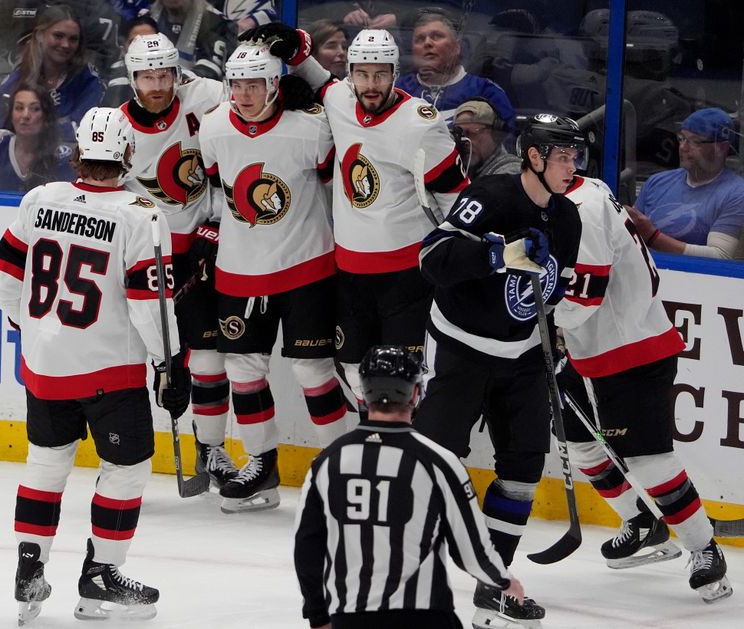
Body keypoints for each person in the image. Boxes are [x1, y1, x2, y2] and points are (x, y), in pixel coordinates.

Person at [0, 107, 191, 623]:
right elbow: (151, 307)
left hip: (44, 368)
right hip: (108, 375)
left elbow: (4, 278)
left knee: (46, 463)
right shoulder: (141, 215)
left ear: (77, 153)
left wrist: (25, 330)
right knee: (126, 470)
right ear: (127, 154)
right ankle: (101, 573)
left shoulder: (39, 199)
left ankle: (29, 565)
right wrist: (170, 364)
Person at [240, 23, 469, 418]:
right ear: (351, 75)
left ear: (396, 74)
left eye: (381, 73)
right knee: (351, 367)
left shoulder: (420, 122)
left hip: (407, 277)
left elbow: (456, 198)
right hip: (350, 273)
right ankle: (372, 443)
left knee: (406, 375)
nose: (371, 83)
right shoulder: (341, 101)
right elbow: (316, 76)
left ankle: (403, 456)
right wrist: (295, 46)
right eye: (362, 73)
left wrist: (458, 261)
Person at [413, 113, 585, 627]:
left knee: (523, 471)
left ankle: (495, 580)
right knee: (434, 464)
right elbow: (433, 257)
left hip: (524, 358)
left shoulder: (568, 219)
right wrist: (498, 254)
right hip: (461, 350)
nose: (571, 165)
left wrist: (555, 341)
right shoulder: (490, 196)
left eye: (575, 156)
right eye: (563, 156)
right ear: (534, 156)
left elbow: (553, 294)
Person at [555, 174, 733, 604]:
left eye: (564, 156)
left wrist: (536, 311)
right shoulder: (581, 191)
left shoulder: (584, 208)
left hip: (631, 349)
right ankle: (641, 524)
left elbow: (584, 297)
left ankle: (704, 549)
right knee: (581, 444)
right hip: (584, 346)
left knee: (649, 461)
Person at [198, 42, 349, 513]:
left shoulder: (311, 129)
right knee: (242, 371)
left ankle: (338, 469)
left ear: (274, 83)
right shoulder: (214, 126)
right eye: (237, 85)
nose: (244, 94)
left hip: (306, 267)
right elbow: (219, 189)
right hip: (239, 270)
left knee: (312, 370)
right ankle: (261, 466)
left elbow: (334, 191)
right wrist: (210, 228)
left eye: (254, 84)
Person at [294, 345, 524, 629]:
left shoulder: (327, 461)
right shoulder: (439, 461)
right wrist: (502, 581)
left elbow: (307, 545)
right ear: (416, 394)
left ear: (364, 393)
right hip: (424, 616)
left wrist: (318, 615)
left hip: (350, 617)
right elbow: (470, 547)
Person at [120, 32, 237, 492]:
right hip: (144, 258)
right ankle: (124, 452)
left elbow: (237, 154)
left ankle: (210, 448)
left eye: (164, 74)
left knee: (208, 357)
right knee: (150, 363)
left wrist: (214, 226)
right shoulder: (118, 128)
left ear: (177, 73)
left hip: (200, 251)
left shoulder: (204, 97)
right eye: (147, 76)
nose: (157, 84)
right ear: (132, 79)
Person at [626, 108, 744, 259]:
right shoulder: (657, 181)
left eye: (694, 141)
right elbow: (630, 233)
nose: (683, 147)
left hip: (696, 279)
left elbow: (720, 256)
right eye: (681, 138)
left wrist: (654, 238)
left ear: (721, 147)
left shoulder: (736, 193)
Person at [0, 4, 106, 145]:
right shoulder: (17, 78)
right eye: (58, 36)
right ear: (40, 35)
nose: (65, 44)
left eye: (73, 39)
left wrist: (30, 130)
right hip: (18, 161)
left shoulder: (88, 81)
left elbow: (87, 130)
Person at [394, 9, 515, 125]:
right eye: (420, 39)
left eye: (436, 36)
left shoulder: (487, 92)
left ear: (456, 48)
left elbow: (505, 142)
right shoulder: (397, 92)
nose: (427, 43)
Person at [0, 83, 73, 192]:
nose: (25, 115)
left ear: (46, 116)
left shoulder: (61, 159)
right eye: (19, 108)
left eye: (35, 109)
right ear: (11, 114)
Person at [149, 0, 232, 80]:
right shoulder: (147, 18)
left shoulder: (215, 20)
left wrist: (176, 81)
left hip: (195, 88)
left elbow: (211, 68)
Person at [452, 97, 521, 179]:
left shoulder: (510, 172)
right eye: (459, 135)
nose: (464, 141)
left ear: (496, 134)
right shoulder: (460, 168)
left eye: (473, 133)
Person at [101, 14, 159, 108]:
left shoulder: (182, 78)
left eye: (150, 41)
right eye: (135, 42)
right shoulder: (118, 84)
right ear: (123, 51)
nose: (144, 48)